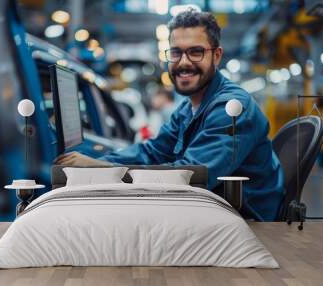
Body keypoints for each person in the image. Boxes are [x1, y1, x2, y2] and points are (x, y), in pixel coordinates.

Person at [54, 9, 284, 222]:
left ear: (216, 56)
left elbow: (190, 176)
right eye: (176, 53)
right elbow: (151, 152)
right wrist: (101, 162)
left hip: (246, 223)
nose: (183, 63)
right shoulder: (188, 108)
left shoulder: (232, 108)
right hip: (211, 211)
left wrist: (104, 171)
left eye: (196, 52)